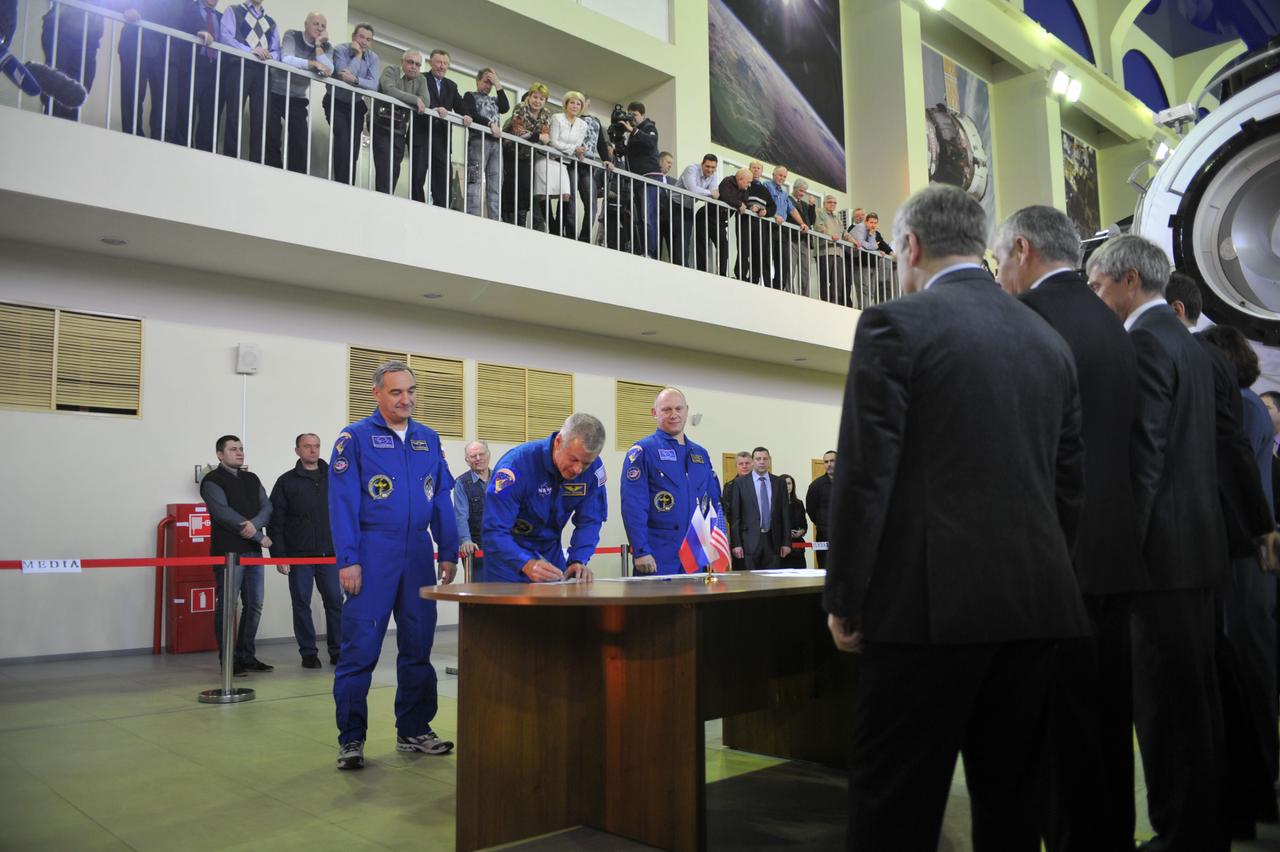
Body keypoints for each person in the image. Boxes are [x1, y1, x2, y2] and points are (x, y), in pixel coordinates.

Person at [824, 185, 1089, 852]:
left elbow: (864, 474)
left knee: (896, 806)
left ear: (909, 246)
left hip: (926, 612)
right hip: (1035, 605)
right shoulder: (1047, 341)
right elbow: (1069, 486)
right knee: (1013, 805)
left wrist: (847, 595)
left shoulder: (894, 323)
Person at [993, 205, 1143, 852]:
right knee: (1108, 728)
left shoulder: (1027, 321)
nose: (999, 274)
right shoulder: (1113, 325)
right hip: (1115, 556)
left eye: (1000, 260)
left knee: (1054, 740)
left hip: (1055, 564)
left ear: (1022, 249)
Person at [1086, 234, 1227, 851]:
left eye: (1096, 285)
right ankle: (1200, 826)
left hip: (1157, 560)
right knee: (1194, 701)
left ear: (1127, 282)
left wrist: (1122, 552)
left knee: (1165, 708)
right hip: (1196, 550)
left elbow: (1142, 456)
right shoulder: (1190, 346)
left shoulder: (1142, 342)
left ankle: (1180, 832)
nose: (1094, 297)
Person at [328, 360, 458, 771]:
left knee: (418, 646)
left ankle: (414, 728)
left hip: (418, 552)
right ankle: (351, 738)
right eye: (396, 392)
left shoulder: (428, 439)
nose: (406, 399)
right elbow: (343, 503)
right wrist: (348, 559)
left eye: (411, 391)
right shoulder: (355, 438)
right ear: (377, 395)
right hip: (372, 552)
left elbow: (441, 498)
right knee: (360, 650)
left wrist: (449, 550)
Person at [1200, 323, 1280, 837]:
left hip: (1247, 559)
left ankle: (1262, 785)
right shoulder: (1247, 407)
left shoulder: (1245, 409)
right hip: (1244, 554)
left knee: (1252, 670)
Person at [480, 413, 608, 583]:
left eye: (586, 463)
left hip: (550, 560)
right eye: (573, 459)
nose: (578, 470)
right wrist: (525, 562)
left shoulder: (594, 471)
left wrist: (578, 559)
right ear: (559, 442)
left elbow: (590, 520)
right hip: (507, 561)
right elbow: (494, 530)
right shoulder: (516, 466)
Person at [620, 387, 722, 575]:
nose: (673, 414)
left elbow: (713, 503)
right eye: (666, 409)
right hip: (658, 556)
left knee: (696, 605)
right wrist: (641, 550)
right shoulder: (643, 451)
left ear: (687, 410)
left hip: (695, 556)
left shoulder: (700, 454)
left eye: (678, 408)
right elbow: (633, 506)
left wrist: (714, 548)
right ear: (654, 413)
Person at [200, 435, 274, 677]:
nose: (239, 453)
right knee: (228, 607)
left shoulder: (252, 478)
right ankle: (229, 660)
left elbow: (267, 507)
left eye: (241, 449)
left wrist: (255, 528)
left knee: (255, 605)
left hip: (253, 553)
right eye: (233, 449)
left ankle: (246, 656)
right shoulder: (211, 480)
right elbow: (223, 514)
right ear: (220, 454)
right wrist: (258, 536)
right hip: (228, 553)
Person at [269, 433, 341, 670]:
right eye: (307, 447)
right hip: (298, 554)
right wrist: (278, 556)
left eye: (317, 446)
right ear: (297, 450)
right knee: (301, 603)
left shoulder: (335, 478)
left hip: (330, 553)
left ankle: (337, 650)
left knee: (335, 601)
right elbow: (275, 521)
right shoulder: (286, 482)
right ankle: (308, 652)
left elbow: (349, 514)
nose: (313, 450)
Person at [266, 12, 332, 173]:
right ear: (306, 24)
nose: (319, 28)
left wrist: (318, 46)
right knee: (271, 135)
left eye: (323, 26)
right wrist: (311, 64)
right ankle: (272, 171)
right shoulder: (292, 35)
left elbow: (328, 70)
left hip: (297, 98)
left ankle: (295, 177)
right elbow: (286, 58)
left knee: (300, 140)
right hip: (275, 92)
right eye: (316, 24)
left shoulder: (326, 47)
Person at [218, 0, 281, 164]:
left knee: (261, 119)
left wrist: (267, 55)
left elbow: (277, 51)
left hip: (262, 72)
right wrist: (251, 51)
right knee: (234, 114)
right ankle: (230, 159)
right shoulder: (234, 10)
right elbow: (225, 37)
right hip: (239, 66)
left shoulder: (271, 22)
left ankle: (257, 162)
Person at [325, 23, 379, 185]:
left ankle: (349, 185)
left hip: (356, 105)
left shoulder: (373, 58)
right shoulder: (341, 50)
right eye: (361, 37)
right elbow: (343, 76)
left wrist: (355, 80)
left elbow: (374, 85)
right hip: (335, 101)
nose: (364, 42)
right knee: (342, 139)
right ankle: (340, 184)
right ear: (353, 37)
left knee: (353, 147)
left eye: (368, 40)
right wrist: (357, 56)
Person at [167, 0, 223, 151]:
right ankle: (182, 151)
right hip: (192, 65)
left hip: (214, 71)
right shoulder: (189, 8)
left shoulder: (221, 17)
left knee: (210, 118)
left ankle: (205, 156)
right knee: (185, 111)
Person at [117, 0, 177, 141]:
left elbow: (183, 13)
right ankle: (132, 138)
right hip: (135, 44)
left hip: (164, 51)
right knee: (132, 96)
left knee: (164, 104)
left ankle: (160, 143)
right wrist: (127, 8)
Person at [418, 49, 470, 207]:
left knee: (442, 179)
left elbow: (460, 106)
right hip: (422, 133)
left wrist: (466, 115)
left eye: (445, 63)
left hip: (442, 138)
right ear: (430, 63)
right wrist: (435, 108)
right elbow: (420, 98)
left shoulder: (451, 86)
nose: (442, 66)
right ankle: (417, 206)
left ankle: (441, 210)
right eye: (439, 62)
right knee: (418, 175)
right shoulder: (422, 78)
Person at [372, 50, 428, 196]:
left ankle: (388, 200)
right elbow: (389, 90)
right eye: (410, 62)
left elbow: (426, 102)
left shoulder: (421, 79)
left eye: (417, 64)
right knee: (384, 167)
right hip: (381, 125)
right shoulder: (391, 70)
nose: (414, 67)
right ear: (402, 62)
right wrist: (414, 100)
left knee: (395, 170)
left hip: (399, 129)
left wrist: (412, 99)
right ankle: (382, 200)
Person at [39, 2, 105, 121]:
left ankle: (69, 126)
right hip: (61, 27)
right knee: (57, 79)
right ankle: (51, 123)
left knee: (82, 86)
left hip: (90, 37)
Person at [536, 90, 588, 237]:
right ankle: (554, 230)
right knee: (544, 195)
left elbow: (578, 146)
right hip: (547, 159)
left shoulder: (582, 124)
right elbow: (553, 142)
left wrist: (578, 150)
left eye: (578, 104)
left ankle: (556, 229)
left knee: (566, 195)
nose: (575, 106)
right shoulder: (557, 117)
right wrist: (573, 149)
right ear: (566, 104)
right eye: (572, 102)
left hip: (564, 163)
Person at [730, 447, 790, 570]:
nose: (762, 461)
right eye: (758, 459)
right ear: (753, 461)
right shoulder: (740, 483)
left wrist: (786, 543)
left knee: (774, 583)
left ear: (769, 460)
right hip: (749, 543)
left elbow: (785, 514)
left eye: (765, 458)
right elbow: (735, 516)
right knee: (750, 584)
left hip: (773, 542)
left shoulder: (779, 483)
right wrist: (736, 544)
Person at [461, 68, 509, 219]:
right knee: (475, 180)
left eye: (490, 84)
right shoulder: (470, 95)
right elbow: (471, 113)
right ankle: (472, 215)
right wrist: (490, 124)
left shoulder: (495, 100)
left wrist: (498, 84)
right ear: (477, 80)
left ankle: (495, 218)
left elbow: (505, 107)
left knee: (495, 183)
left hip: (495, 143)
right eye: (486, 82)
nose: (488, 86)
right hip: (478, 141)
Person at [501, 84, 551, 227]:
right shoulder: (520, 107)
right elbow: (518, 130)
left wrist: (541, 137)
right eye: (535, 97)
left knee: (524, 191)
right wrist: (538, 137)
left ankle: (520, 224)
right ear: (529, 97)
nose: (537, 101)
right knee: (510, 188)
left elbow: (546, 135)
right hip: (510, 152)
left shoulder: (546, 113)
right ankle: (506, 221)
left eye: (541, 99)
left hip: (527, 156)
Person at [762, 165, 809, 292]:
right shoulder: (766, 185)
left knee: (783, 260)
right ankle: (767, 285)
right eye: (780, 175)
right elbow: (764, 203)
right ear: (773, 174)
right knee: (767, 257)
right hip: (768, 226)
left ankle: (778, 287)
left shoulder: (784, 194)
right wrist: (775, 215)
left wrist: (802, 224)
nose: (782, 178)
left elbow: (792, 210)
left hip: (782, 231)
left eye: (784, 176)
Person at [622, 102, 660, 258]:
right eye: (630, 115)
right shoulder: (633, 133)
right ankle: (641, 249)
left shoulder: (649, 127)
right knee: (638, 218)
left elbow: (651, 142)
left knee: (648, 217)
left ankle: (650, 252)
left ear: (642, 115)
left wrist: (633, 130)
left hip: (649, 178)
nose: (632, 119)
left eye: (635, 115)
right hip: (636, 180)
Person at [452, 440, 492, 579]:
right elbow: (460, 515)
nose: (478, 458)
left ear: (489, 455)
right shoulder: (461, 483)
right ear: (467, 460)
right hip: (476, 547)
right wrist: (465, 541)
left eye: (481, 454)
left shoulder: (502, 479)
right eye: (473, 456)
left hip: (501, 545)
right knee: (478, 594)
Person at [699, 167, 749, 276]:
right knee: (702, 244)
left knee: (723, 247)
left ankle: (722, 274)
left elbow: (746, 203)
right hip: (706, 216)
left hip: (720, 222)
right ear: (740, 179)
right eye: (748, 182)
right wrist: (739, 204)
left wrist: (744, 204)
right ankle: (701, 272)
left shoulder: (744, 189)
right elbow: (725, 196)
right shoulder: (728, 181)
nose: (749, 185)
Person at [575, 97, 610, 243]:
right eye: (576, 102)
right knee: (568, 201)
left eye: (581, 102)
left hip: (587, 165)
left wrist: (606, 159)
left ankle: (584, 238)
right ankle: (567, 233)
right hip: (570, 162)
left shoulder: (595, 121)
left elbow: (600, 142)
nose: (578, 104)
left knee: (592, 205)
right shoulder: (570, 117)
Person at [813, 195, 856, 306]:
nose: (832, 204)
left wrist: (854, 241)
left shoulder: (837, 218)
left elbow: (844, 233)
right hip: (825, 251)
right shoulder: (819, 212)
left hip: (838, 253)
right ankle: (825, 303)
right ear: (824, 203)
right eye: (830, 202)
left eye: (834, 203)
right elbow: (818, 227)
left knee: (838, 280)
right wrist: (831, 235)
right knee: (825, 279)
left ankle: (834, 303)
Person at [680, 154, 719, 269]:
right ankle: (679, 267)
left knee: (686, 240)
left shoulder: (713, 176)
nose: (710, 170)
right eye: (707, 166)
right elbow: (692, 189)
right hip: (675, 205)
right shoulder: (691, 169)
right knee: (679, 239)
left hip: (689, 207)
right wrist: (710, 193)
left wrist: (711, 193)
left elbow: (714, 195)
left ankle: (684, 267)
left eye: (713, 168)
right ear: (702, 164)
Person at [805, 450, 835, 569]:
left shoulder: (849, 483)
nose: (829, 464)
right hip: (824, 535)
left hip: (846, 535)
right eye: (826, 462)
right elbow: (811, 510)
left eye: (832, 461)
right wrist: (823, 524)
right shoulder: (816, 486)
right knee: (824, 570)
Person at [722, 451, 752, 572]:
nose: (744, 466)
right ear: (736, 466)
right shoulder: (730, 486)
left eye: (747, 463)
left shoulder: (761, 483)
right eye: (741, 464)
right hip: (740, 535)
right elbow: (731, 515)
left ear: (752, 464)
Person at [790, 179, 817, 296]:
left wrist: (812, 206)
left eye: (804, 191)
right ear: (794, 188)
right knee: (791, 268)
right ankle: (789, 292)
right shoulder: (788, 199)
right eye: (800, 190)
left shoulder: (804, 204)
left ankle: (805, 295)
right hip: (792, 238)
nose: (802, 193)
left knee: (805, 270)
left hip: (805, 241)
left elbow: (811, 221)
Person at [780, 474, 807, 568]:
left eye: (789, 483)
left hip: (797, 545)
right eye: (784, 484)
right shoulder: (775, 504)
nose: (787, 486)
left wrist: (800, 532)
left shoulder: (798, 503)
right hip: (782, 544)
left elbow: (804, 525)